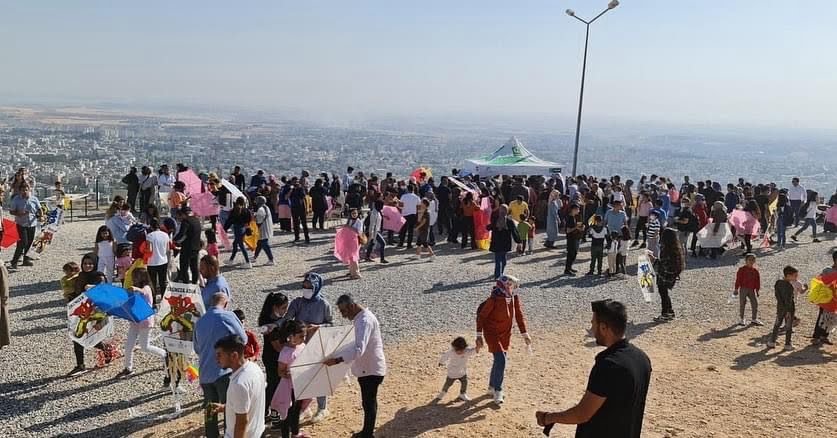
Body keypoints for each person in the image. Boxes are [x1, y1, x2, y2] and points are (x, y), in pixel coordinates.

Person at [536, 300, 652, 438]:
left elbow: (582, 414)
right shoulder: (642, 358)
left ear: (603, 328)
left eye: (593, 324)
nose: (592, 330)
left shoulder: (609, 365)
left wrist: (548, 418)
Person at [324, 294, 387, 438]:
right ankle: (367, 432)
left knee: (369, 403)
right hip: (369, 367)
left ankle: (368, 434)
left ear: (352, 306)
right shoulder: (362, 319)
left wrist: (337, 360)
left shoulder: (364, 321)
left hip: (370, 369)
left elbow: (359, 349)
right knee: (369, 402)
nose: (343, 315)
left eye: (344, 311)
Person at [194, 292, 247, 438]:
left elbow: (196, 348)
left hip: (205, 372)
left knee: (210, 411)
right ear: (226, 303)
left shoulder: (200, 321)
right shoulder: (227, 316)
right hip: (224, 371)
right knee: (229, 410)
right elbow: (243, 339)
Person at [285, 272, 334, 423]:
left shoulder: (324, 304)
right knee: (301, 378)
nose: (306, 289)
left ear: (317, 287)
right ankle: (303, 408)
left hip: (317, 345)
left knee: (319, 377)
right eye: (304, 286)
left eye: (309, 287)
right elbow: (287, 319)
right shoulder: (297, 303)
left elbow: (331, 324)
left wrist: (318, 327)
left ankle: (322, 408)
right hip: (299, 347)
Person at [476, 275, 531, 405]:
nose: (513, 288)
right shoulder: (493, 299)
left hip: (505, 333)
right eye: (511, 286)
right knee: (501, 359)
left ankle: (491, 386)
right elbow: (482, 317)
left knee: (498, 360)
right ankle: (498, 390)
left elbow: (519, 315)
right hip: (492, 333)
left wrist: (525, 334)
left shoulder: (513, 298)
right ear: (504, 286)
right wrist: (478, 335)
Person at [209, 334, 266, 438]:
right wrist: (227, 407)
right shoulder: (255, 369)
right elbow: (249, 403)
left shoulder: (239, 384)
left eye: (219, 355)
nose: (216, 359)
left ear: (234, 355)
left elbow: (241, 423)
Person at [115, 268, 166, 379]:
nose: (135, 278)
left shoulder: (146, 288)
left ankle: (166, 355)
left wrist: (135, 288)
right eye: (134, 276)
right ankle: (128, 368)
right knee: (129, 345)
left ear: (144, 277)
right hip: (135, 320)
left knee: (145, 347)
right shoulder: (135, 290)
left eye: (137, 276)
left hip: (145, 321)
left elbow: (143, 291)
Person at [270, 319, 311, 438]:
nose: (304, 338)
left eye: (304, 335)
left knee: (296, 411)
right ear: (291, 336)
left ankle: (295, 433)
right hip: (290, 389)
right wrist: (290, 373)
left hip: (300, 385)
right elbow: (280, 372)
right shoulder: (285, 352)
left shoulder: (302, 346)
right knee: (286, 414)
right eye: (301, 336)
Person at [258, 292, 289, 419]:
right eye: (283, 308)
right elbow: (277, 347)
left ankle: (266, 410)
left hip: (274, 355)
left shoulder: (274, 320)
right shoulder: (268, 323)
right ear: (275, 307)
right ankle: (264, 411)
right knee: (273, 385)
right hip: (273, 357)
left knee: (274, 384)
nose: (285, 311)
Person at [651, 228, 685, 322]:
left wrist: (653, 260)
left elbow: (663, 263)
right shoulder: (675, 248)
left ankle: (665, 313)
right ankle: (670, 311)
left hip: (665, 275)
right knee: (664, 293)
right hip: (670, 275)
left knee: (663, 294)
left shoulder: (666, 250)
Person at [9, 184, 41, 269]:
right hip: (21, 224)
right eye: (23, 190)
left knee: (29, 243)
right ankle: (14, 261)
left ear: (29, 190)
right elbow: (11, 211)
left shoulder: (34, 199)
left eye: (26, 190)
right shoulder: (16, 199)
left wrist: (41, 216)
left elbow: (39, 209)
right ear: (20, 191)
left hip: (32, 224)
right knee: (23, 242)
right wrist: (18, 214)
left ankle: (26, 260)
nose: (25, 192)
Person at [434, 336, 476, 402]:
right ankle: (443, 392)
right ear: (454, 348)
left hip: (462, 372)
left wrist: (478, 347)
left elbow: (474, 350)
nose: (459, 352)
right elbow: (445, 356)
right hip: (452, 373)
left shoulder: (467, 351)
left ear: (465, 348)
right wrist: (441, 362)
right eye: (457, 350)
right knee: (448, 384)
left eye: (461, 350)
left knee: (464, 383)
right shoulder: (451, 352)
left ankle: (462, 394)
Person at [767, 266, 799, 350]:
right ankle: (787, 344)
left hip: (780, 307)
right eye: (795, 275)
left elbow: (777, 295)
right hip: (789, 309)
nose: (796, 277)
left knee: (777, 324)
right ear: (788, 275)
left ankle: (772, 341)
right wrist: (789, 310)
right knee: (788, 326)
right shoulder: (789, 286)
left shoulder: (778, 283)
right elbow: (788, 300)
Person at [488, 204, 520, 280]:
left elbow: (489, 227)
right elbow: (514, 232)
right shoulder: (507, 221)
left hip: (498, 242)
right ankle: (499, 275)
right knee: (501, 259)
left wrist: (518, 241)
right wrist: (519, 241)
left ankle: (498, 274)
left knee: (499, 259)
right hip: (502, 243)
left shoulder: (503, 220)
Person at [812, 251, 837, 345]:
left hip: (835, 300)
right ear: (835, 260)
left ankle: (824, 336)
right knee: (822, 317)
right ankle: (816, 336)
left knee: (832, 318)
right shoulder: (827, 270)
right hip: (826, 299)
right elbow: (820, 281)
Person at [174, 207, 203, 282]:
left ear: (183, 214)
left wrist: (174, 240)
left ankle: (186, 285)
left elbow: (181, 234)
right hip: (196, 247)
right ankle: (194, 284)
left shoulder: (186, 221)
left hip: (187, 248)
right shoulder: (197, 220)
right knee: (194, 268)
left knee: (184, 268)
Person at [734, 253, 763, 326]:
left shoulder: (755, 271)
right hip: (743, 289)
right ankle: (742, 319)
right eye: (750, 260)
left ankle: (754, 318)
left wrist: (757, 290)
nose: (751, 261)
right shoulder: (741, 270)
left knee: (755, 303)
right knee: (742, 304)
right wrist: (736, 289)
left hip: (751, 290)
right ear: (746, 260)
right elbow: (738, 279)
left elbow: (757, 281)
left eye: (753, 260)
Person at [225, 197, 253, 268]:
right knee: (235, 243)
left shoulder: (234, 210)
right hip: (243, 228)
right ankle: (231, 260)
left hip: (237, 228)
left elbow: (229, 221)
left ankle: (248, 262)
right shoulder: (246, 210)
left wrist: (225, 229)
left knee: (241, 245)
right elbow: (249, 219)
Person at [252, 196, 276, 266]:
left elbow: (259, 221)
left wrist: (254, 217)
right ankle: (255, 257)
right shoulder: (266, 207)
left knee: (264, 243)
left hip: (262, 228)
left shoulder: (261, 209)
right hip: (266, 226)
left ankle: (271, 259)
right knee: (259, 243)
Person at [364, 199, 388, 264]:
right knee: (382, 243)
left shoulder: (377, 211)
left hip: (375, 231)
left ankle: (367, 256)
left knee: (372, 244)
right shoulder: (374, 213)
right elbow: (372, 224)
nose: (383, 206)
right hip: (373, 232)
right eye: (382, 205)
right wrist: (371, 234)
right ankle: (382, 259)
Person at [564, 204, 583, 276]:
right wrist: (576, 227)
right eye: (577, 209)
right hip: (571, 239)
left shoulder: (575, 217)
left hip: (576, 238)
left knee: (574, 253)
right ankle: (567, 269)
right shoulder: (570, 218)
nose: (579, 211)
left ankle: (570, 267)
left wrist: (581, 228)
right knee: (570, 254)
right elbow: (568, 230)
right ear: (573, 210)